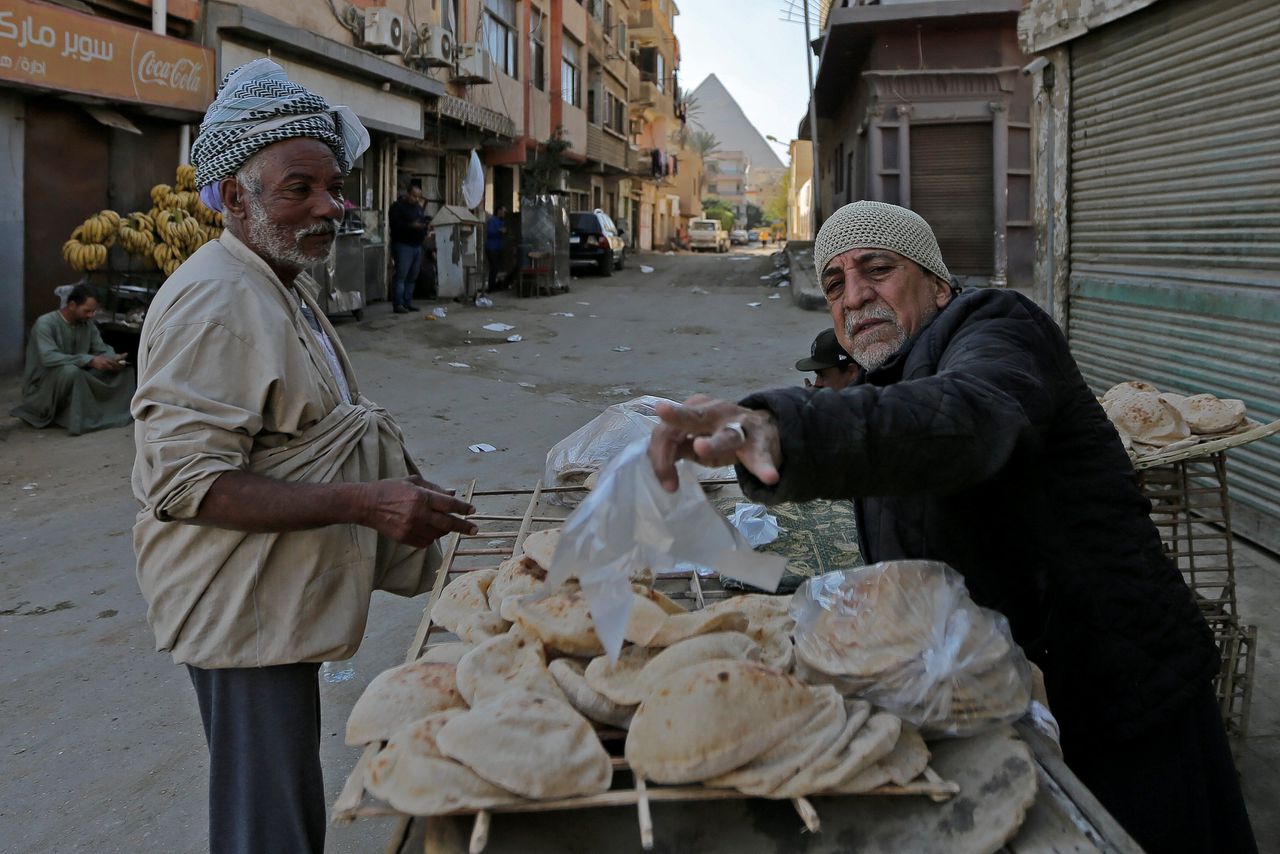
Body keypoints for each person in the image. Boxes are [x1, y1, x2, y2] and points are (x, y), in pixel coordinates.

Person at [648, 201, 1256, 854]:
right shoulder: (889, 382)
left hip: (1122, 694)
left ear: (937, 284)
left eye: (877, 270)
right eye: (835, 284)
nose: (855, 297)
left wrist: (782, 426)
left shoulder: (1000, 330)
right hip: (1007, 703)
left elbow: (967, 416)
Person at [132, 59, 477, 854]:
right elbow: (188, 484)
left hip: (272, 604)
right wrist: (367, 503)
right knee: (270, 827)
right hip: (239, 610)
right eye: (299, 189)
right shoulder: (218, 300)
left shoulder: (276, 278)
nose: (328, 206)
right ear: (233, 197)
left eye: (332, 186)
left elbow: (311, 433)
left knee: (280, 809)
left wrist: (391, 482)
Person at [10, 284, 133, 435]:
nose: (91, 315)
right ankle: (69, 414)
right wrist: (89, 360)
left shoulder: (87, 324)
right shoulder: (45, 324)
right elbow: (49, 357)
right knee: (71, 371)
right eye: (87, 311)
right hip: (41, 388)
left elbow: (101, 348)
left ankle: (98, 413)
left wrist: (114, 359)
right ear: (72, 305)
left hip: (77, 375)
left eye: (93, 311)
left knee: (125, 372)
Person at [388, 181, 428, 313]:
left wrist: (425, 227)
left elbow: (421, 220)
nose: (416, 199)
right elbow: (395, 225)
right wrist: (411, 225)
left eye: (418, 197)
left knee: (412, 277)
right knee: (401, 275)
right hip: (403, 245)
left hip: (417, 245)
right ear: (408, 194)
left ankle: (407, 302)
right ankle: (398, 304)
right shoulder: (397, 207)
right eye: (414, 196)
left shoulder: (417, 207)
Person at [485, 205, 507, 291]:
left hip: (498, 247)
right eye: (504, 211)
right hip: (491, 248)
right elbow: (489, 232)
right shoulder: (492, 221)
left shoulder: (502, 222)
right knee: (493, 267)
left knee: (496, 268)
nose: (504, 214)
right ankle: (491, 287)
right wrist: (499, 230)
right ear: (499, 211)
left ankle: (494, 285)